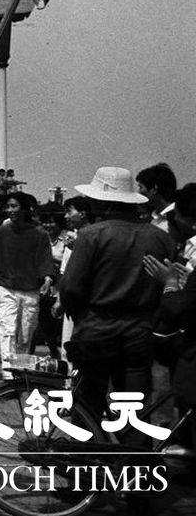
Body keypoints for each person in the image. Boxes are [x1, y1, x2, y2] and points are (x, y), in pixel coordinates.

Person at [61, 167, 174, 435]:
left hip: (97, 327)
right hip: (140, 330)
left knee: (88, 404)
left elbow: (71, 288)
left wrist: (80, 315)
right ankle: (135, 467)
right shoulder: (161, 238)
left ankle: (86, 469)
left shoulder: (91, 235)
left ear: (102, 200)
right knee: (134, 407)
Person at [0, 191, 55, 378]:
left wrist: (48, 279)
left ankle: (21, 374)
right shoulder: (0, 233)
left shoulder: (40, 234)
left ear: (24, 208)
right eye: (8, 206)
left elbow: (45, 260)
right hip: (6, 289)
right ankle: (9, 376)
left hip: (31, 291)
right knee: (8, 331)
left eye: (14, 206)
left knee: (25, 334)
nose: (10, 210)